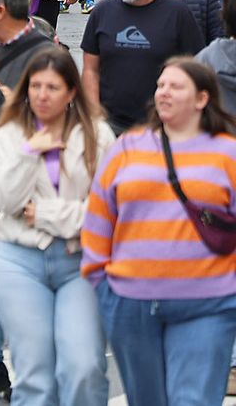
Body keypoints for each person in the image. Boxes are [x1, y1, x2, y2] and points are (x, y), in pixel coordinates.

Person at [83, 58, 236, 405]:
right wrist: (100, 280)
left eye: (176, 86)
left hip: (208, 302)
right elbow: (99, 215)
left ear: (202, 99)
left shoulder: (228, 154)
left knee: (192, 400)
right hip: (130, 299)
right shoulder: (128, 148)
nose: (164, 92)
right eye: (161, 85)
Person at [0, 47, 113, 406]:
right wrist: (30, 153)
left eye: (52, 87)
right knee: (34, 374)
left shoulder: (98, 136)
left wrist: (45, 215)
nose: (41, 95)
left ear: (72, 91)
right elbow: (3, 200)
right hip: (19, 261)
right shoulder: (11, 133)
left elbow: (107, 210)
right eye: (35, 86)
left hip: (80, 261)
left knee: (84, 367)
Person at [82, 0, 205, 134]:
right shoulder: (102, 12)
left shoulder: (177, 13)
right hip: (110, 125)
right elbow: (90, 70)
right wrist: (94, 115)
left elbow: (194, 69)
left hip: (161, 124)